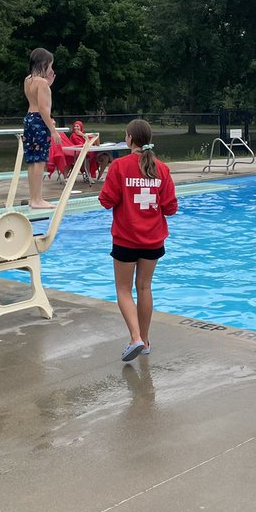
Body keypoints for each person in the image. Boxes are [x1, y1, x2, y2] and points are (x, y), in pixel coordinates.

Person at [98, 119, 178, 362]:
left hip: (125, 239)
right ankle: (146, 341)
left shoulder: (119, 166)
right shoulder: (161, 168)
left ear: (129, 139)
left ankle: (135, 338)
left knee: (123, 289)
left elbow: (106, 201)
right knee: (144, 287)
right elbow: (171, 207)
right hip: (153, 240)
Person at [22, 48, 57, 209]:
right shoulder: (42, 83)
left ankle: (33, 198)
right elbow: (43, 108)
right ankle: (37, 199)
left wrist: (48, 84)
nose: (51, 69)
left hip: (29, 119)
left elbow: (35, 101)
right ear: (44, 63)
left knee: (32, 160)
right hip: (39, 121)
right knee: (40, 160)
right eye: (50, 65)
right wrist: (53, 129)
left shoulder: (28, 80)